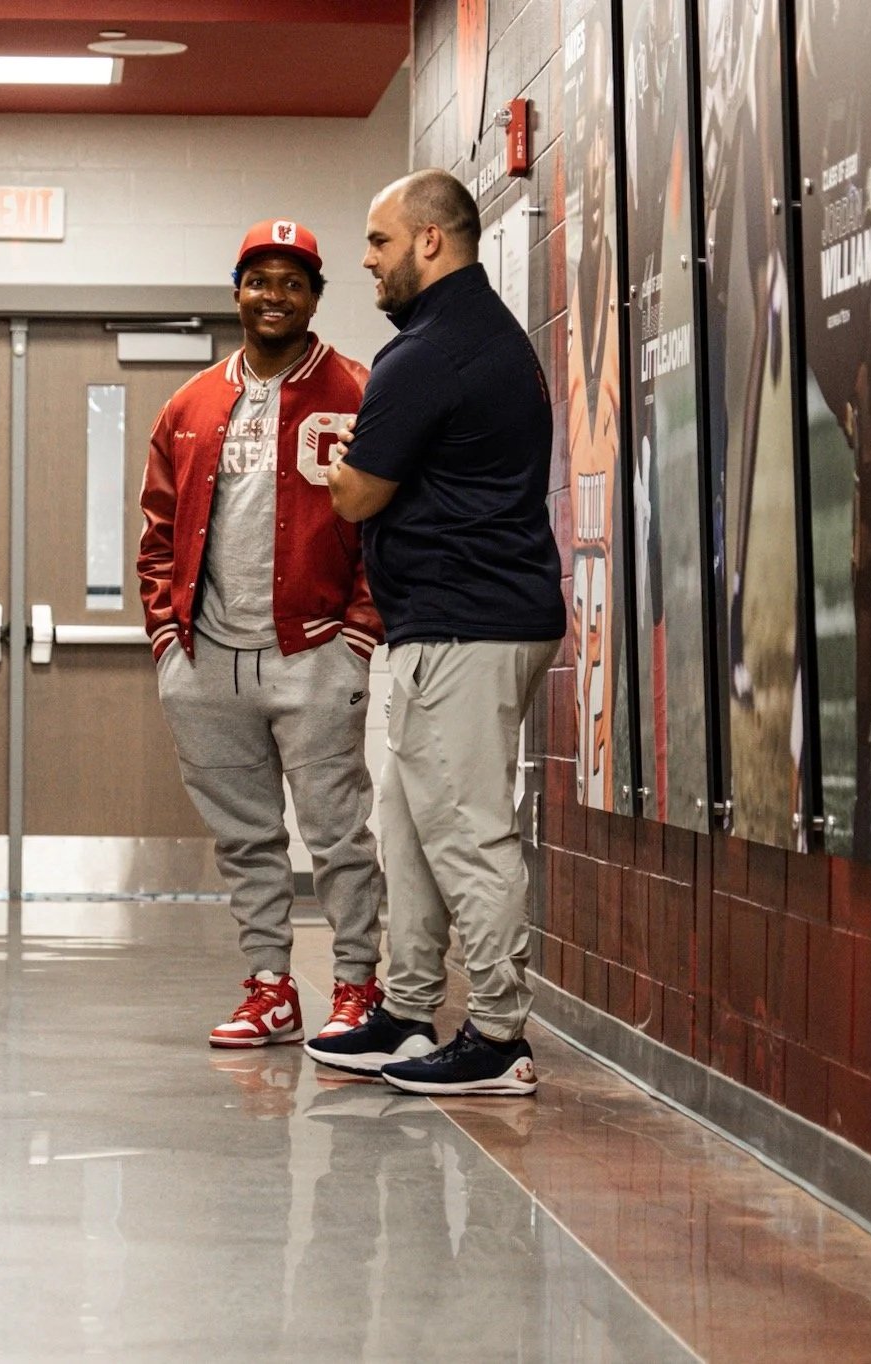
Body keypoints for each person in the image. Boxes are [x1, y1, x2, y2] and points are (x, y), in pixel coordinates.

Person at [306, 170, 565, 1096]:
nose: (366, 261)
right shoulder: (475, 338)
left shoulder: (431, 352)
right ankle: (409, 1013)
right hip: (453, 621)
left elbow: (363, 492)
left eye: (378, 242)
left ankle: (498, 1036)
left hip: (467, 623)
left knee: (466, 833)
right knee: (410, 826)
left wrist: (338, 472)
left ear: (429, 242)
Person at [139, 219, 387, 1049]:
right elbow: (158, 530)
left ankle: (356, 985)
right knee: (246, 839)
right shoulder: (191, 403)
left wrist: (357, 631)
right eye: (260, 280)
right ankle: (270, 988)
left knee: (337, 833)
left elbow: (389, 526)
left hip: (313, 651)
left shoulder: (357, 389)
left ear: (315, 296)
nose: (274, 296)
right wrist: (169, 638)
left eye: (292, 282)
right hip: (208, 660)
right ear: (236, 290)